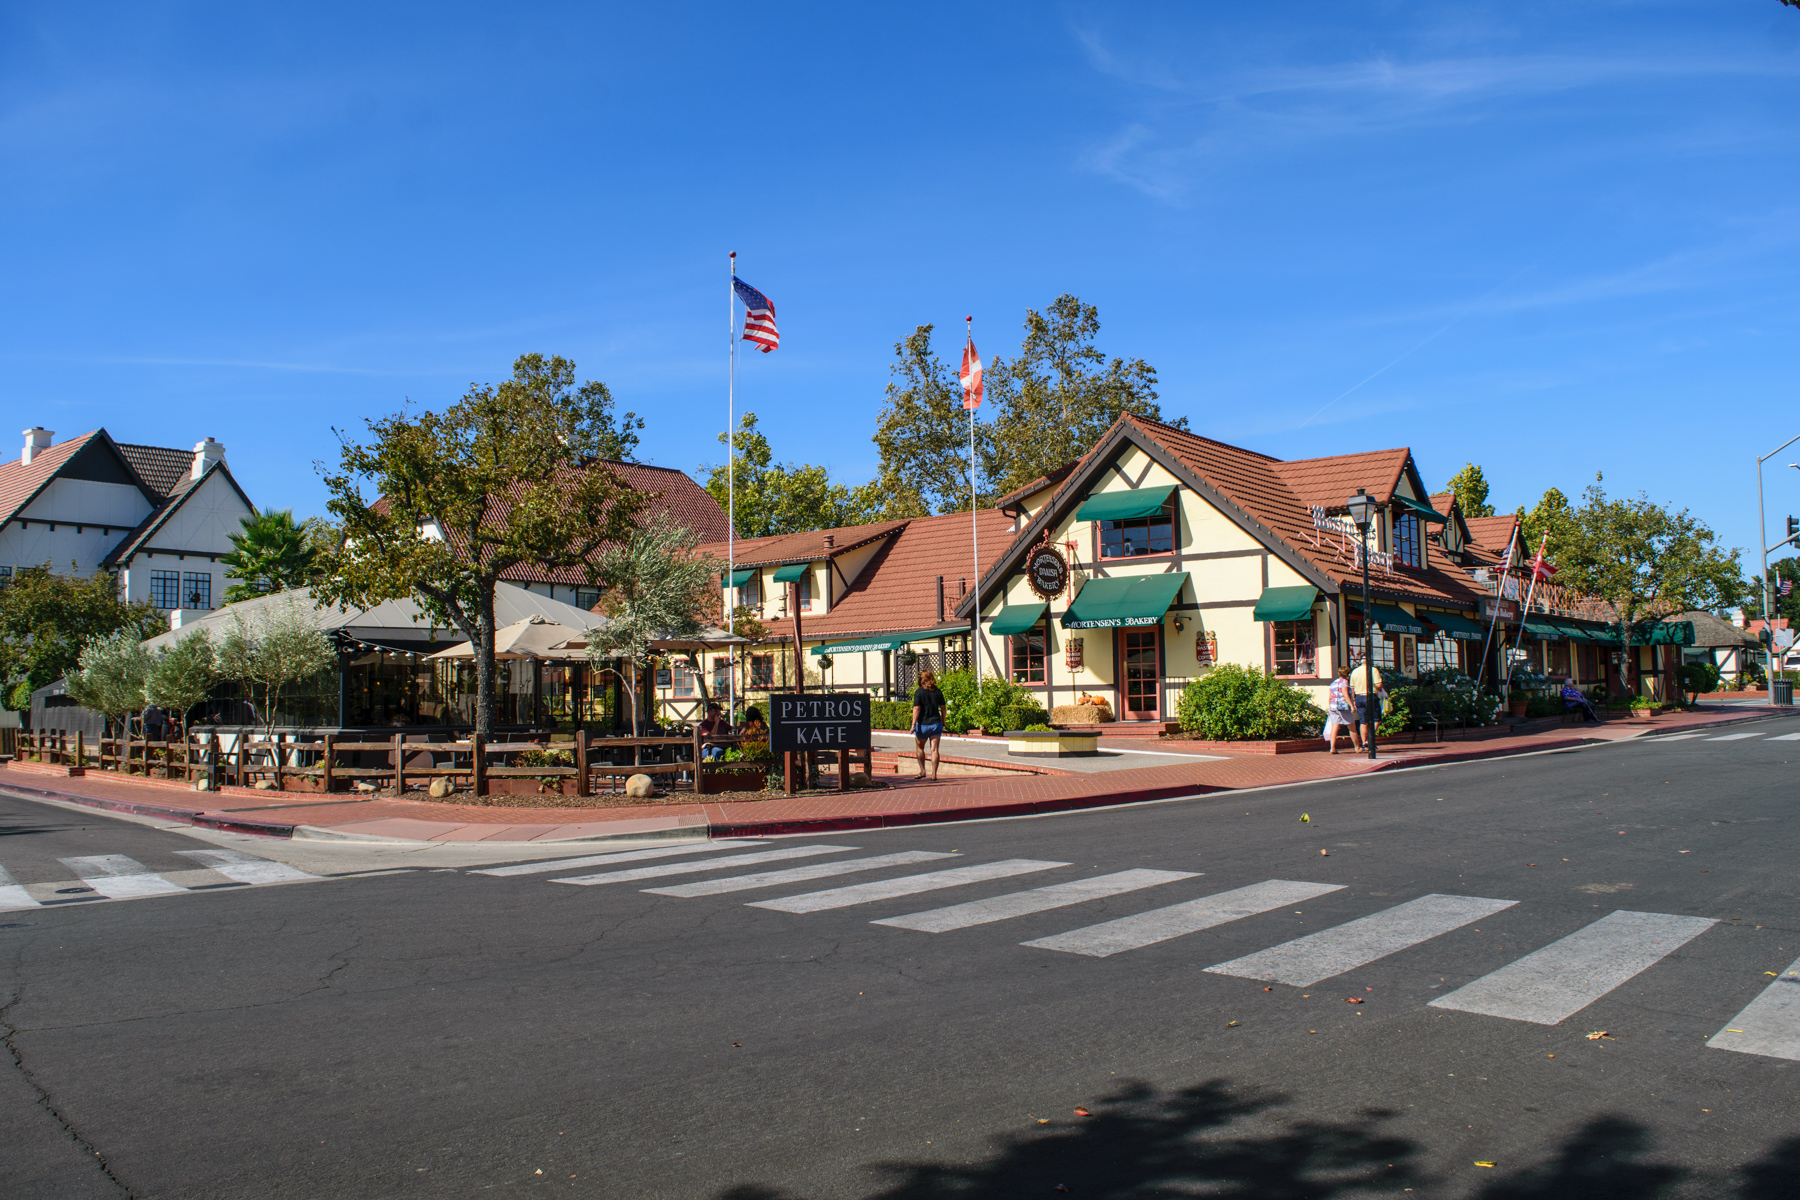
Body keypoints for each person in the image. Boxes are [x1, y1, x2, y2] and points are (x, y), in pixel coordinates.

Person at [911, 668, 947, 781]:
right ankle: (934, 774)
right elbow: (943, 708)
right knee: (934, 750)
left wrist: (913, 724)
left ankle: (922, 771)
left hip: (923, 725)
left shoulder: (919, 692)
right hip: (936, 724)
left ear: (921, 679)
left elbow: (917, 708)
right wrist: (943, 720)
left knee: (919, 747)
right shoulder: (938, 692)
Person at [1323, 666, 1362, 754]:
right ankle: (1357, 747)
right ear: (1348, 674)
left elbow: (1330, 697)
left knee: (1334, 728)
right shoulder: (1345, 682)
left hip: (1333, 707)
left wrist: (1329, 708)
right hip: (1343, 707)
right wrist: (1352, 706)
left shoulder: (1333, 683)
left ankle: (1332, 748)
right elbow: (1345, 694)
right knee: (1352, 727)